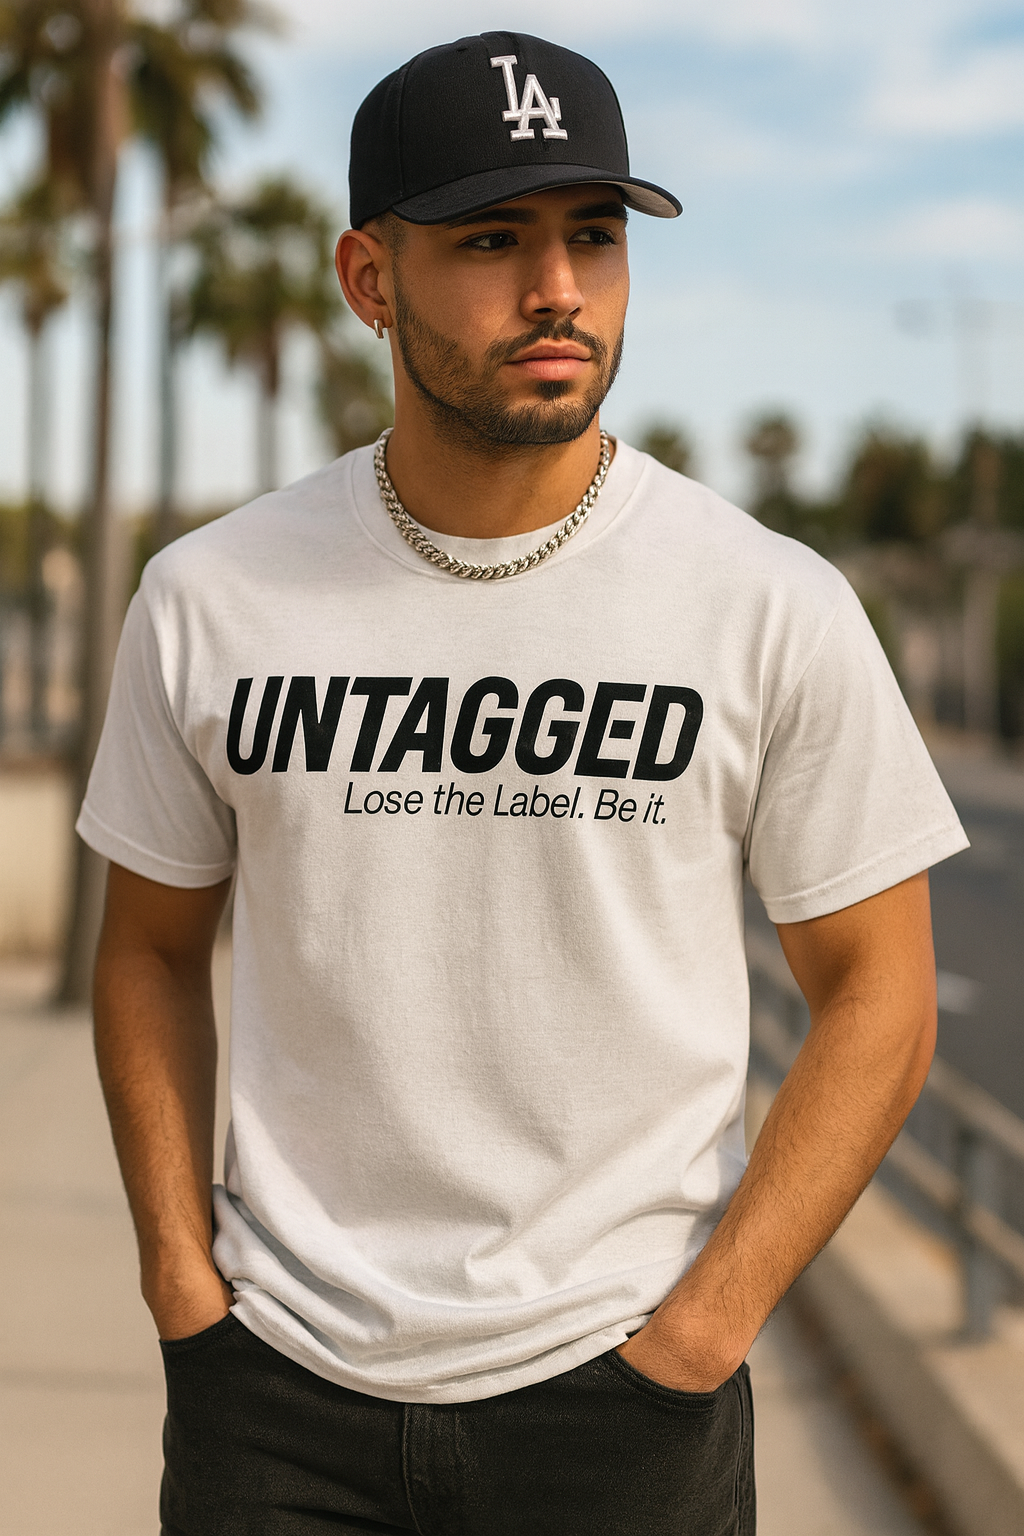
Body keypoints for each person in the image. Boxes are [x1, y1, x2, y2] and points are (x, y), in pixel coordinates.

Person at [81, 30, 967, 1536]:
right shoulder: (211, 598)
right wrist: (182, 1281)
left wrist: (702, 1333)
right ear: (370, 278)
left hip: (625, 1405)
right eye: (492, 240)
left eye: (594, 236)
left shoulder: (768, 604)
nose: (558, 286)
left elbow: (882, 993)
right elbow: (150, 952)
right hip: (277, 1403)